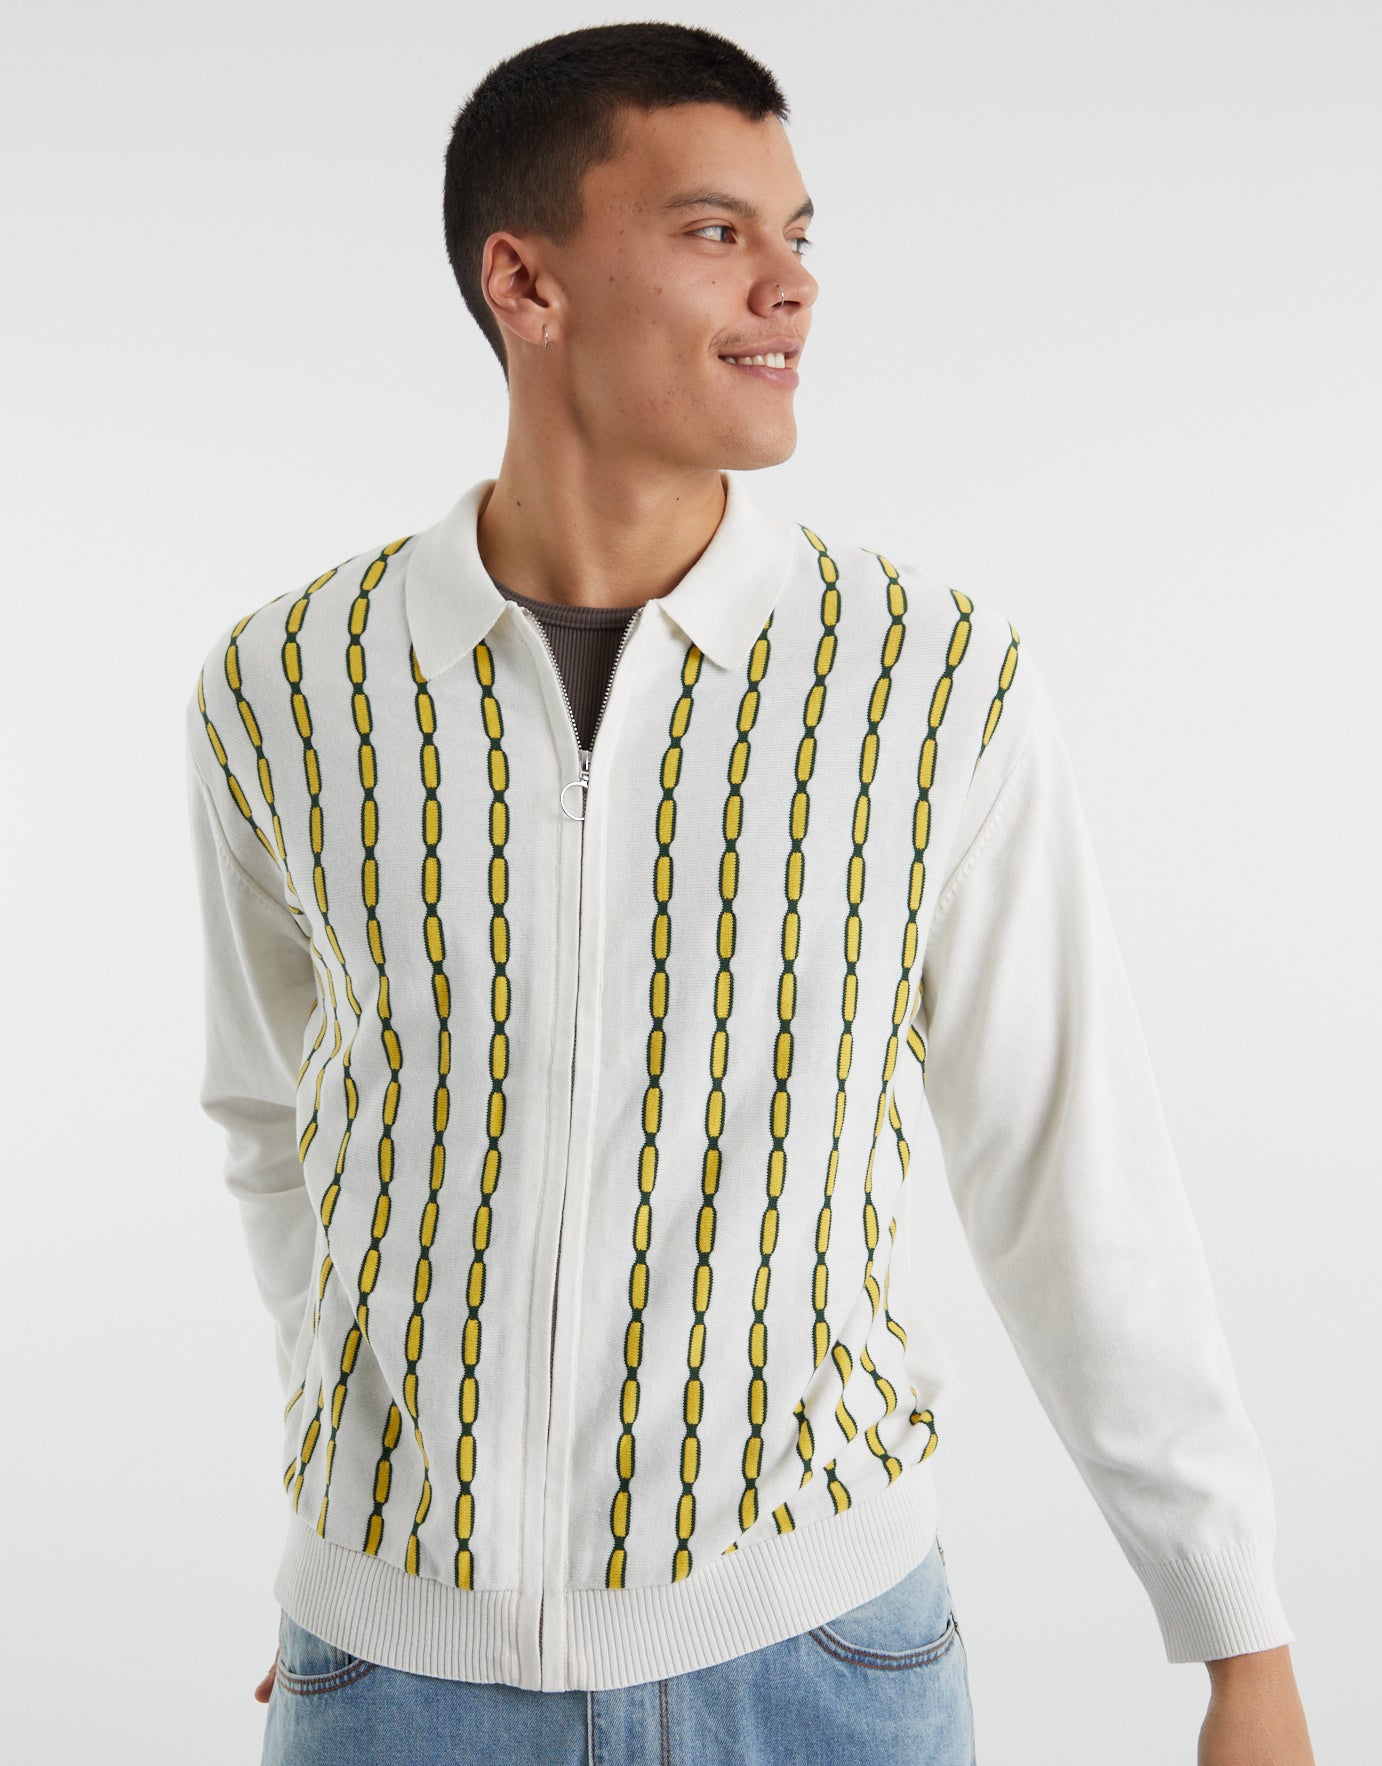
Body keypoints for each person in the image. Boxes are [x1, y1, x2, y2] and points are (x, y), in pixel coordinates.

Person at [183, 21, 1315, 1765]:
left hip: (820, 1661)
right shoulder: (287, 684)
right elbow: (278, 1123)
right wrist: (368, 1532)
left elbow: (1064, 1160)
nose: (791, 286)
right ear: (524, 281)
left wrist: (1235, 1630)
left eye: (797, 236)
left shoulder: (925, 677)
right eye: (716, 231)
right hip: (396, 1678)